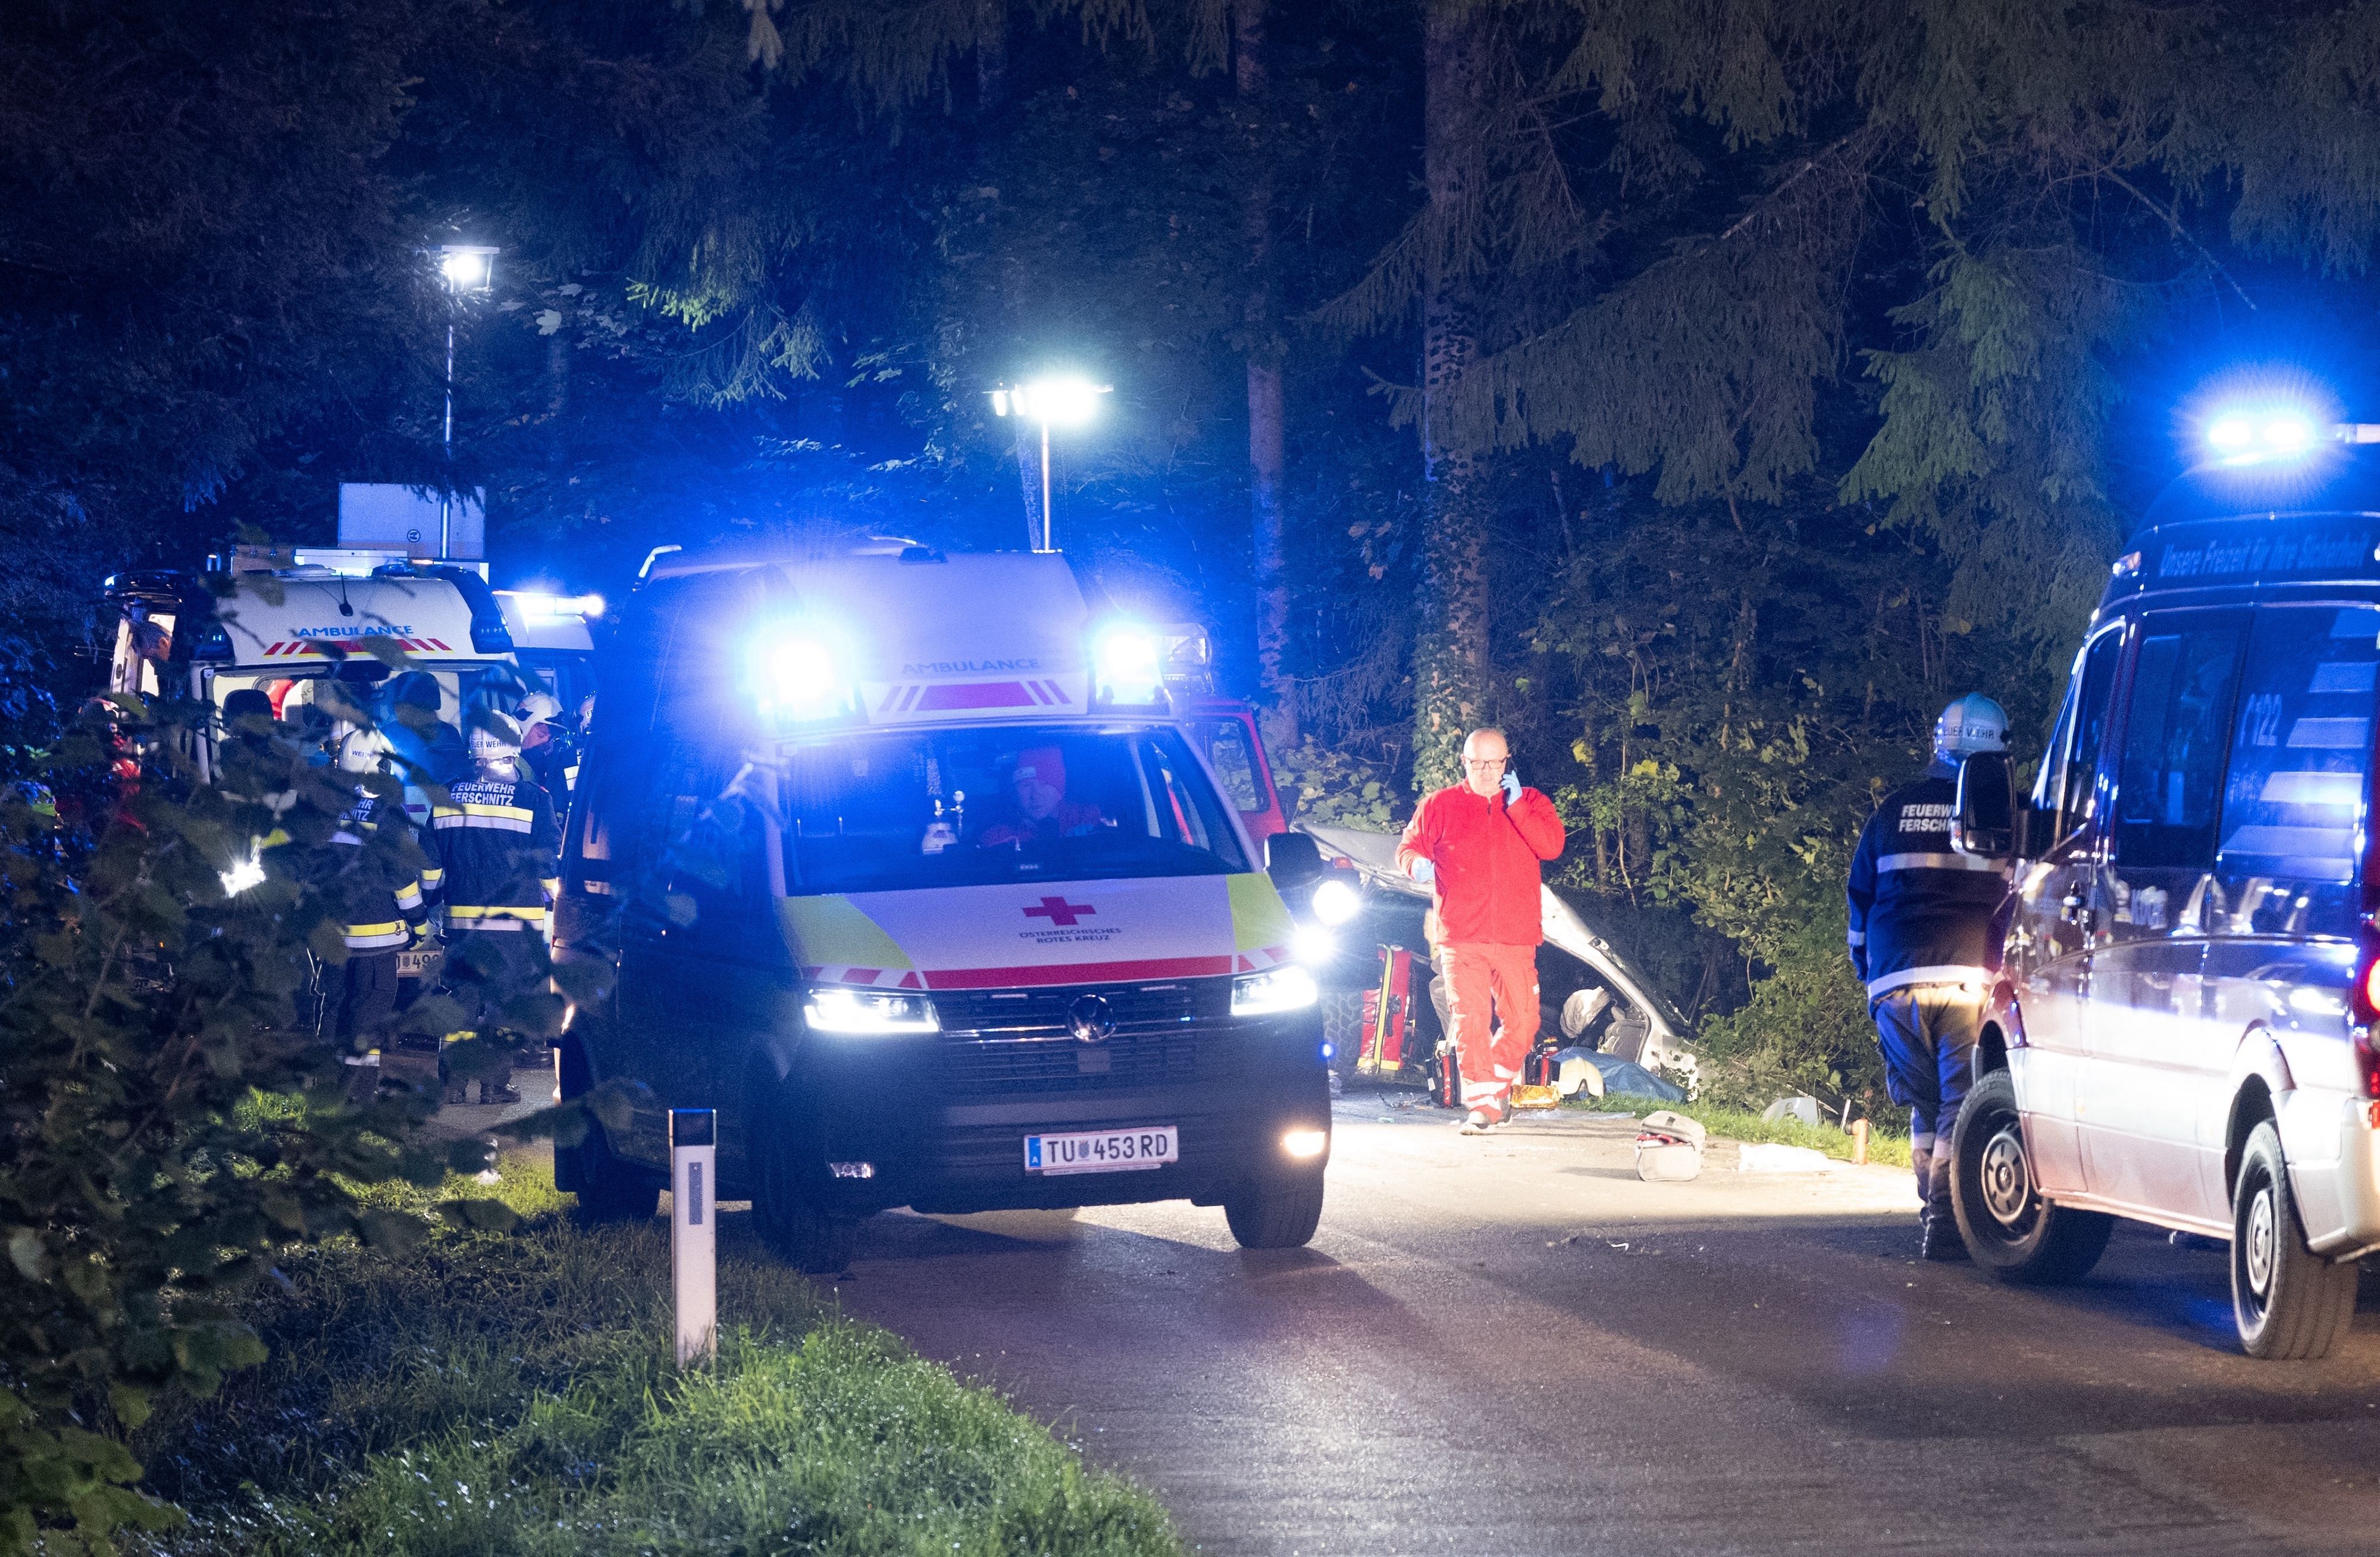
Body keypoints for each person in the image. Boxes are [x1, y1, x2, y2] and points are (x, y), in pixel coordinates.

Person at [1846, 693, 2013, 1261]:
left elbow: (1859, 905)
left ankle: (1931, 1203)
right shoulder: (2002, 816)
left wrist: (1872, 977)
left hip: (1892, 982)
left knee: (1925, 1101)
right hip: (1967, 976)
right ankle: (1945, 1219)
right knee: (1959, 1101)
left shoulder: (1890, 810)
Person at [1396, 728, 1566, 1135]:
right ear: (1464, 761)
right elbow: (1408, 848)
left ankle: (1494, 1087)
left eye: (1496, 762)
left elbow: (1552, 846)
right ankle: (1481, 1106)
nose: (1488, 771)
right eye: (1479, 763)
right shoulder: (1439, 805)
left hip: (1515, 934)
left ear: (1508, 761)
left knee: (1525, 1020)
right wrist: (1415, 864)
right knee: (1471, 1020)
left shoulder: (1533, 802)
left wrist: (1519, 806)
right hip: (1460, 934)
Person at [423, 713, 561, 1105]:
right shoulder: (535, 798)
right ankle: (494, 1085)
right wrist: (555, 901)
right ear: (514, 750)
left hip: (462, 926)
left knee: (460, 1007)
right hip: (515, 927)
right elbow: (547, 864)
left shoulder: (446, 794)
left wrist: (430, 903)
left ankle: (451, 1085)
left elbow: (430, 865)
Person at [325, 731, 429, 1099]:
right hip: (377, 933)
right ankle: (358, 1089)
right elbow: (402, 876)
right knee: (374, 1003)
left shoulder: (329, 805)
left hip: (335, 930)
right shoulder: (388, 813)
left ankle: (333, 1079)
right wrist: (419, 922)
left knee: (342, 1001)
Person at [978, 745, 1106, 847]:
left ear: (1060, 792)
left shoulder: (1085, 817)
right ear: (1014, 794)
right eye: (1026, 786)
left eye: (1045, 785)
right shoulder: (997, 837)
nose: (1036, 795)